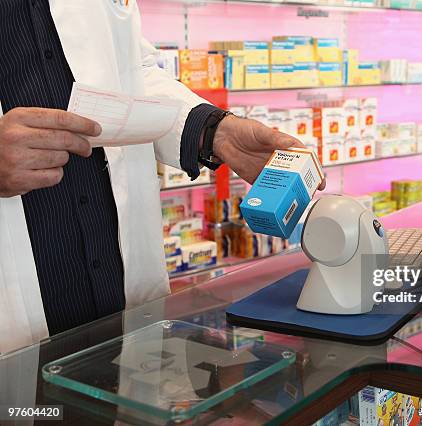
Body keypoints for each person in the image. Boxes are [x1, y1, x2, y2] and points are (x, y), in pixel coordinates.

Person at [0, 0, 320, 354]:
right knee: (20, 406)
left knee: (125, 389)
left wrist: (215, 132)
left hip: (119, 288)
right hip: (17, 296)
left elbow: (134, 70)